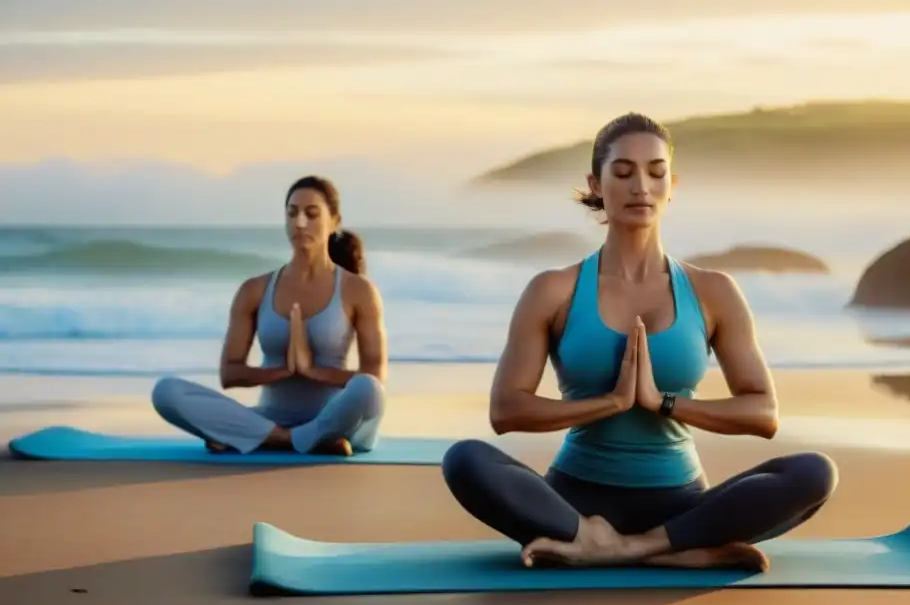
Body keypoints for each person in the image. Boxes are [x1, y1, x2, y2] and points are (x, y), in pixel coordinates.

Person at [441, 113, 838, 571]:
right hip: (572, 506)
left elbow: (763, 413)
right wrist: (609, 403)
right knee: (464, 460)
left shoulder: (713, 292)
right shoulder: (554, 290)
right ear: (596, 182)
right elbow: (506, 410)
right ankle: (642, 547)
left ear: (673, 184)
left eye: (655, 171)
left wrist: (662, 402)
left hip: (681, 506)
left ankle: (635, 546)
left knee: (814, 472)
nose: (641, 186)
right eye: (623, 172)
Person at [151, 175, 387, 455]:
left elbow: (375, 374)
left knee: (368, 390)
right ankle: (291, 438)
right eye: (292, 213)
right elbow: (230, 373)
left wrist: (312, 371)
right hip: (271, 418)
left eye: (311, 214)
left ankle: (276, 437)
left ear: (334, 220)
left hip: (341, 421)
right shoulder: (255, 290)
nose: (300, 223)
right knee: (166, 392)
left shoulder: (358, 290)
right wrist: (284, 371)